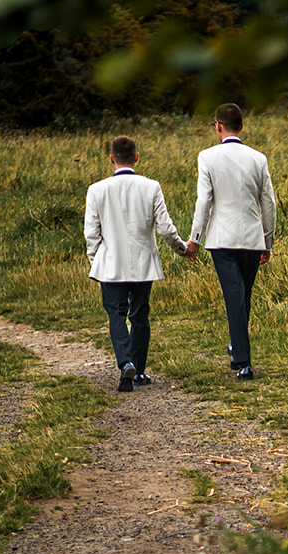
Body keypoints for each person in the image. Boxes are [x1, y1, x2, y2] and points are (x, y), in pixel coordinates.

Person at [83, 135, 188, 392]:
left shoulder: (97, 189)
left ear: (111, 158)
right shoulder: (151, 187)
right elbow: (165, 228)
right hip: (143, 264)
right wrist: (181, 248)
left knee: (116, 314)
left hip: (111, 264)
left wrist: (96, 261)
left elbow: (91, 233)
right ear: (137, 157)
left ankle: (125, 363)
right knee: (140, 315)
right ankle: (138, 371)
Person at [184, 102, 277, 382]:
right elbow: (268, 203)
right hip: (251, 238)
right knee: (242, 295)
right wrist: (267, 241)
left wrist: (195, 238)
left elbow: (204, 200)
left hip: (221, 238)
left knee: (237, 296)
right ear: (242, 126)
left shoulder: (207, 157)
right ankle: (239, 352)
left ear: (219, 127)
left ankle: (242, 358)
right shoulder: (258, 158)